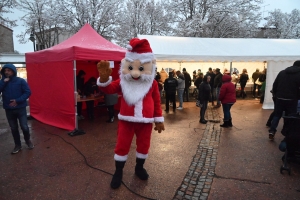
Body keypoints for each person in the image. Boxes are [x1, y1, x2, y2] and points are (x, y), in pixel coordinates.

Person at [96, 38, 165, 189]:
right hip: (126, 121)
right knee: (122, 145)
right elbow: (108, 89)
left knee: (144, 145)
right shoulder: (123, 81)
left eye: (141, 68)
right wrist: (104, 79)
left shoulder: (152, 83)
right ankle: (118, 172)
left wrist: (158, 119)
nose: (135, 73)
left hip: (146, 121)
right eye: (131, 67)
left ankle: (139, 168)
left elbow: (157, 101)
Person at [0, 64, 33, 154]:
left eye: (9, 70)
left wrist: (17, 100)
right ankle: (17, 145)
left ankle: (28, 140)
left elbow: (28, 92)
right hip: (9, 109)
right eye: (5, 71)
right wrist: (3, 82)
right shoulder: (2, 82)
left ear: (13, 71)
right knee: (14, 128)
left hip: (20, 108)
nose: (7, 72)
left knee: (24, 127)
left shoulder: (20, 81)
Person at [268, 60, 300, 140]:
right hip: (292, 99)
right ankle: (286, 133)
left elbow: (275, 84)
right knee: (290, 116)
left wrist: (276, 95)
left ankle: (272, 131)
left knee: (277, 115)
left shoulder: (282, 72)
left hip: (280, 98)